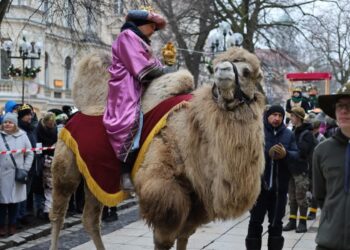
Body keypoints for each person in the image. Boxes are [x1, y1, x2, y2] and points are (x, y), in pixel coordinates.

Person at [103, 9, 166, 191]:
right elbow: (143, 68)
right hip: (126, 88)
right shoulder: (127, 36)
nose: (154, 30)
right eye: (152, 26)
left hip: (141, 87)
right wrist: (165, 70)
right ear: (142, 25)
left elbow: (153, 64)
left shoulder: (141, 41)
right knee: (131, 120)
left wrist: (165, 66)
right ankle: (125, 171)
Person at [246, 105, 299, 250]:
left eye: (280, 115)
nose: (277, 118)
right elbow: (249, 154)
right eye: (274, 115)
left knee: (276, 223)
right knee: (255, 222)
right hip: (259, 189)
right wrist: (266, 154)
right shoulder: (258, 132)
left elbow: (297, 156)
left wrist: (286, 154)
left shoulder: (289, 134)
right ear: (267, 116)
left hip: (279, 190)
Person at [313, 82, 350, 250]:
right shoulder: (322, 150)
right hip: (329, 241)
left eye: (349, 106)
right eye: (340, 106)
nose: (344, 111)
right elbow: (320, 195)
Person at [283, 107, 316, 233]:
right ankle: (292, 221)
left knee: (301, 197)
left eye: (292, 116)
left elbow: (303, 152)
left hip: (301, 170)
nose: (290, 118)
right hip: (292, 169)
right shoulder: (295, 131)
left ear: (298, 117)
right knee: (292, 197)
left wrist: (289, 150)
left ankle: (302, 222)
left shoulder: (306, 133)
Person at [0, 113, 34, 236]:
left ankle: (12, 224)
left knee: (14, 202)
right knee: (2, 202)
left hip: (16, 175)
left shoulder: (22, 136)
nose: (7, 124)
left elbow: (30, 153)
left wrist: (25, 168)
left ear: (15, 124)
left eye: (10, 122)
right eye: (5, 122)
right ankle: (2, 226)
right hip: (2, 175)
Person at [36, 112, 58, 221]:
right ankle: (43, 209)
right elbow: (38, 144)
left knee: (50, 185)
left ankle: (48, 209)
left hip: (52, 158)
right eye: (49, 123)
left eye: (52, 123)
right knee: (43, 186)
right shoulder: (39, 129)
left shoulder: (55, 129)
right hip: (41, 159)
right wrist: (47, 148)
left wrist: (54, 147)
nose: (51, 124)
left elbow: (56, 140)